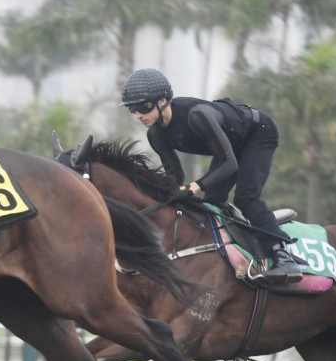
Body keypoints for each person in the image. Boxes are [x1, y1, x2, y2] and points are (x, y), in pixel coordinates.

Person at [120, 67, 302, 285]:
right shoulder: (156, 135)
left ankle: (283, 256)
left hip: (257, 133)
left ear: (162, 101)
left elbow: (229, 164)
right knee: (211, 203)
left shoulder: (197, 115)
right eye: (133, 110)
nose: (138, 115)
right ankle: (238, 250)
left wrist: (194, 187)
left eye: (143, 107)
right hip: (229, 147)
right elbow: (174, 175)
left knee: (246, 197)